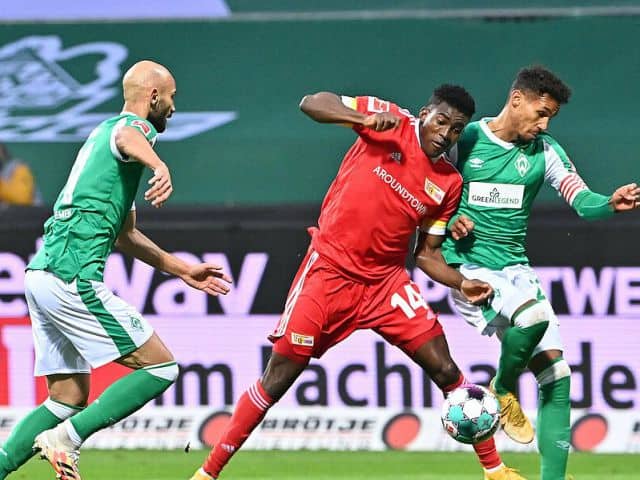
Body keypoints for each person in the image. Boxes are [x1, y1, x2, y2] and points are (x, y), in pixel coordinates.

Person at [190, 86, 525, 480]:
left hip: (386, 284)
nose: (445, 133)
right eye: (441, 120)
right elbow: (311, 103)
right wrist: (360, 120)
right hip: (329, 271)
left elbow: (427, 255)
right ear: (424, 113)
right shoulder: (389, 120)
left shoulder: (448, 184)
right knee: (278, 378)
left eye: (456, 129)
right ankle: (207, 474)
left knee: (447, 370)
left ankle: (495, 470)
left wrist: (461, 281)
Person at [0, 60, 232, 480]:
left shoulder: (101, 143)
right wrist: (159, 167)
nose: (175, 108)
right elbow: (130, 134)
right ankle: (65, 440)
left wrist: (181, 269)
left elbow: (125, 236)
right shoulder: (131, 130)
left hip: (42, 274)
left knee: (66, 397)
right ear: (154, 96)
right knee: (161, 368)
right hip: (71, 273)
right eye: (173, 97)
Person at [442, 65, 640, 480]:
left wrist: (609, 202)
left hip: (516, 271)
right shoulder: (468, 139)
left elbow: (581, 199)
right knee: (532, 317)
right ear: (517, 100)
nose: (544, 123)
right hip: (471, 271)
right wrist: (451, 218)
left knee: (558, 375)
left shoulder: (545, 151)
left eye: (551, 116)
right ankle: (503, 386)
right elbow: (429, 189)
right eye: (541, 112)